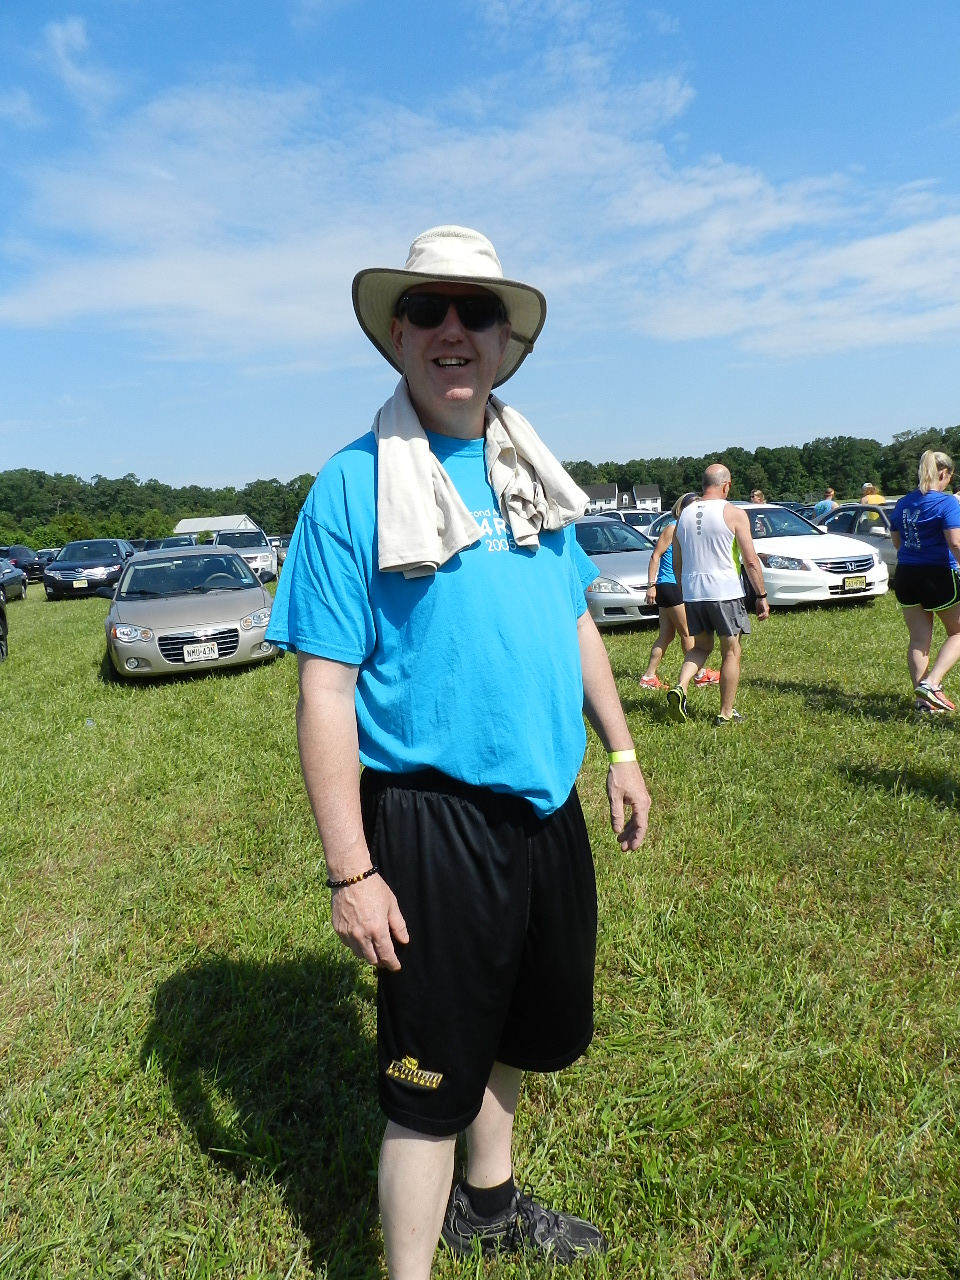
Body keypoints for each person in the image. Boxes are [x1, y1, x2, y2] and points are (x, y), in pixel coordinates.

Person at [265, 225, 651, 1279]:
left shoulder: (533, 472)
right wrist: (352, 871)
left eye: (474, 311)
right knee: (425, 1090)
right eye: (426, 309)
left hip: (546, 809)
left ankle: (490, 1205)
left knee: (520, 1033)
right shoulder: (353, 485)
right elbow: (324, 690)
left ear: (505, 341)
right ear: (396, 335)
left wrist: (620, 750)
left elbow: (574, 619)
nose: (451, 329)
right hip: (430, 822)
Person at [666, 464, 770, 725]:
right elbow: (750, 560)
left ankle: (680, 686)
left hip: (693, 592)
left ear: (704, 484)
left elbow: (677, 562)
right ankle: (725, 713)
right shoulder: (734, 513)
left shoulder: (683, 515)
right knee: (731, 652)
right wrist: (761, 595)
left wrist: (684, 590)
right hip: (725, 592)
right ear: (726, 485)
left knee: (701, 646)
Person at [889, 449, 960, 713]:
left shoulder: (903, 503)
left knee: (919, 640)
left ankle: (923, 702)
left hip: (906, 575)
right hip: (937, 575)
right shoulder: (947, 503)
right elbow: (955, 543)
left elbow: (897, 542)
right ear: (944, 473)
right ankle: (932, 683)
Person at [640, 491, 719, 689]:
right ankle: (699, 674)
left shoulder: (689, 529)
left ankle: (649, 677)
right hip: (671, 586)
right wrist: (651, 585)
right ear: (681, 509)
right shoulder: (672, 528)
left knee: (666, 635)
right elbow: (655, 556)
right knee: (688, 633)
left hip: (673, 586)